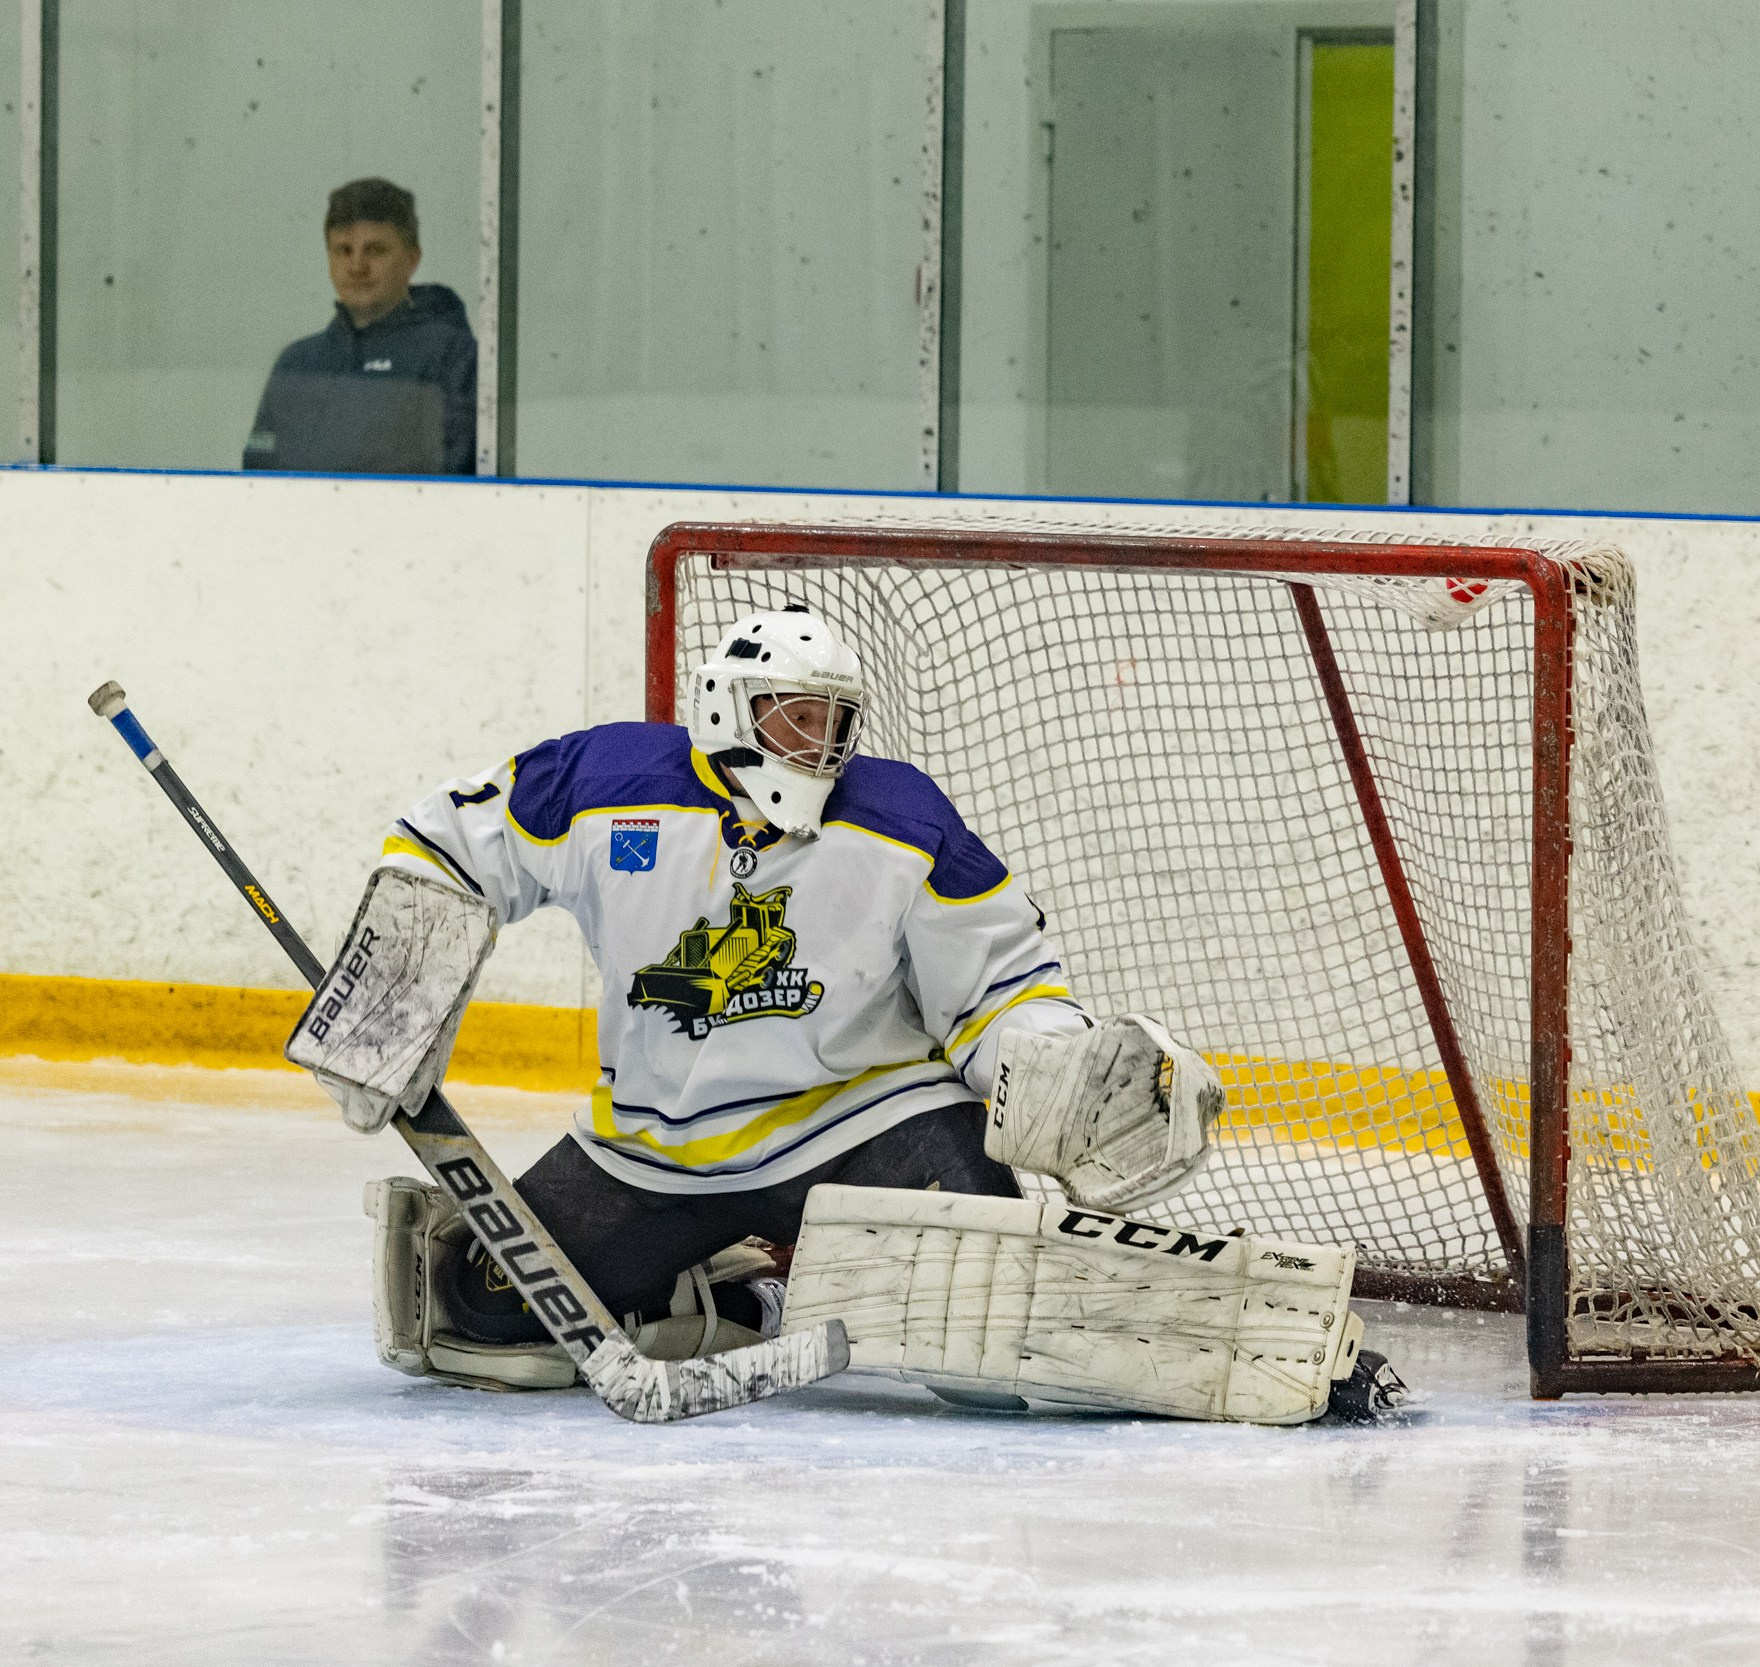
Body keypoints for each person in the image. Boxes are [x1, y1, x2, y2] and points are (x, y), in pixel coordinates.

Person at [334, 607, 1400, 1423]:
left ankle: (1294, 1342)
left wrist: (1050, 1065)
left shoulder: (897, 816)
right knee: (474, 1316)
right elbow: (443, 844)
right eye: (797, 717)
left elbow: (997, 985)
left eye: (837, 721)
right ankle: (724, 1289)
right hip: (658, 1149)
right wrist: (393, 999)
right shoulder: (606, 780)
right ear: (727, 707)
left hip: (860, 1127)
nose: (821, 745)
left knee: (991, 1357)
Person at [243, 178, 476, 475]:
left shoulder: (452, 356)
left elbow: (458, 479)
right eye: (343, 250)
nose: (357, 266)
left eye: (375, 250)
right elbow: (258, 475)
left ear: (412, 259)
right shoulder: (297, 362)